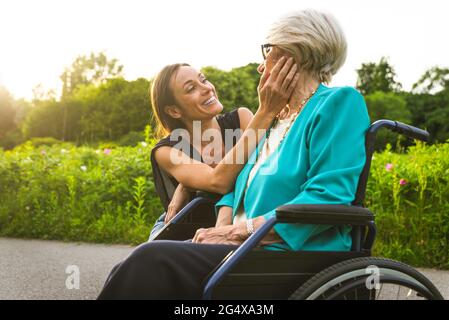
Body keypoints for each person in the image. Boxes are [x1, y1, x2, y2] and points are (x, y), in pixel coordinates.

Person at [98, 9, 370, 300]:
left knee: (150, 261)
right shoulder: (273, 120)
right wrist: (223, 229)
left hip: (287, 254)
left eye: (268, 51)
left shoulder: (339, 103)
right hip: (243, 248)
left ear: (296, 52)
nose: (260, 65)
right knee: (131, 268)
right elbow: (236, 185)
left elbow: (327, 196)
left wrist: (235, 233)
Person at [148, 61, 299, 240]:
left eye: (203, 80)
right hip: (184, 231)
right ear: (174, 111)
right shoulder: (166, 151)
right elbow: (219, 182)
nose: (206, 88)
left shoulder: (241, 118)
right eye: (191, 89)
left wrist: (188, 183)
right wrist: (265, 111)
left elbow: (265, 166)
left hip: (236, 225)